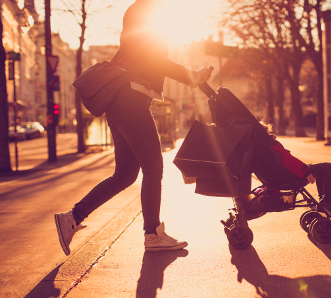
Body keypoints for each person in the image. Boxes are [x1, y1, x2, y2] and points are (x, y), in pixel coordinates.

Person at [54, 0, 213, 256]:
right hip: (130, 100)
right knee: (153, 168)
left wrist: (192, 76)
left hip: (122, 102)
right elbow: (157, 59)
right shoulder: (144, 13)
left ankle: (71, 218)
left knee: (125, 175)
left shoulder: (142, 12)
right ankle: (153, 234)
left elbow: (151, 58)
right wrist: (192, 77)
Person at [263, 122, 331, 222]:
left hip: (282, 176)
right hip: (291, 177)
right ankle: (328, 201)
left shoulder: (263, 148)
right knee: (328, 167)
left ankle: (324, 202)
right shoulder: (272, 146)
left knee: (321, 169)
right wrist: (306, 172)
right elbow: (288, 160)